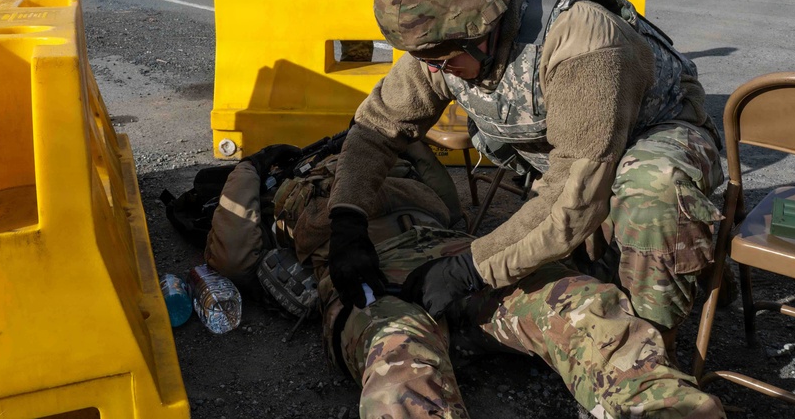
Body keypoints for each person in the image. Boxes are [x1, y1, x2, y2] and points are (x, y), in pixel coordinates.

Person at [325, 0, 725, 361]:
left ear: (485, 30)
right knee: (565, 271)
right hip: (576, 154)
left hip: (654, 138)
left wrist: (471, 268)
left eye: (442, 60)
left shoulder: (582, 40)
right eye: (426, 59)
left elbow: (574, 194)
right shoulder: (444, 45)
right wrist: (347, 221)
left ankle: (649, 351)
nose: (435, 71)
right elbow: (377, 128)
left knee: (652, 189)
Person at [209, 141, 725, 418]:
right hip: (371, 280)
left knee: (585, 305)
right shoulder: (297, 187)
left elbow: (448, 204)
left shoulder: (400, 171)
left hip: (452, 260)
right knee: (400, 366)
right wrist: (252, 167)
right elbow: (233, 255)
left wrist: (405, 149)